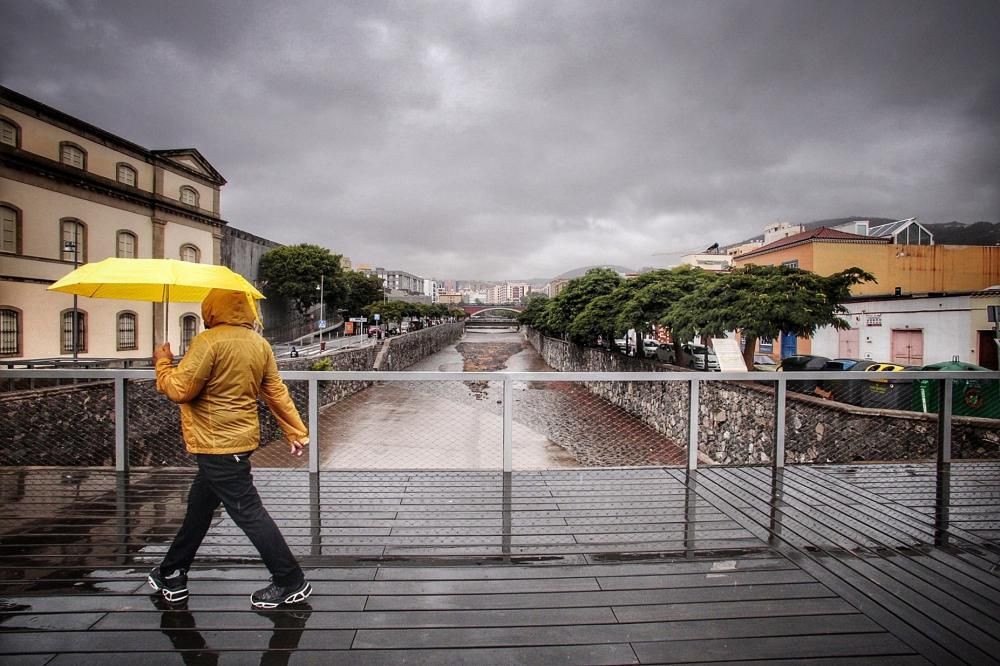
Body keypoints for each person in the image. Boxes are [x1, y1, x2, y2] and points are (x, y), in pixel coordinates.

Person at [147, 288, 312, 609]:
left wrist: (163, 363)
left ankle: (290, 579)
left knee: (248, 512)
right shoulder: (259, 344)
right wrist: (295, 430)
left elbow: (181, 389)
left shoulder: (208, 342)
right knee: (199, 508)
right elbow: (275, 391)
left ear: (211, 310)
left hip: (216, 444)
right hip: (239, 440)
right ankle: (172, 571)